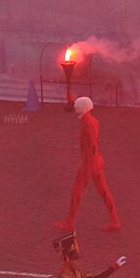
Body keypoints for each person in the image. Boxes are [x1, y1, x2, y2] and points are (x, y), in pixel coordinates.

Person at [53, 96, 121, 233]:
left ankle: (69, 222)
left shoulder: (87, 123)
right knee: (104, 191)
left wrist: (89, 164)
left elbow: (92, 144)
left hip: (89, 163)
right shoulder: (93, 120)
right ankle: (115, 220)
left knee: (76, 192)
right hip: (96, 161)